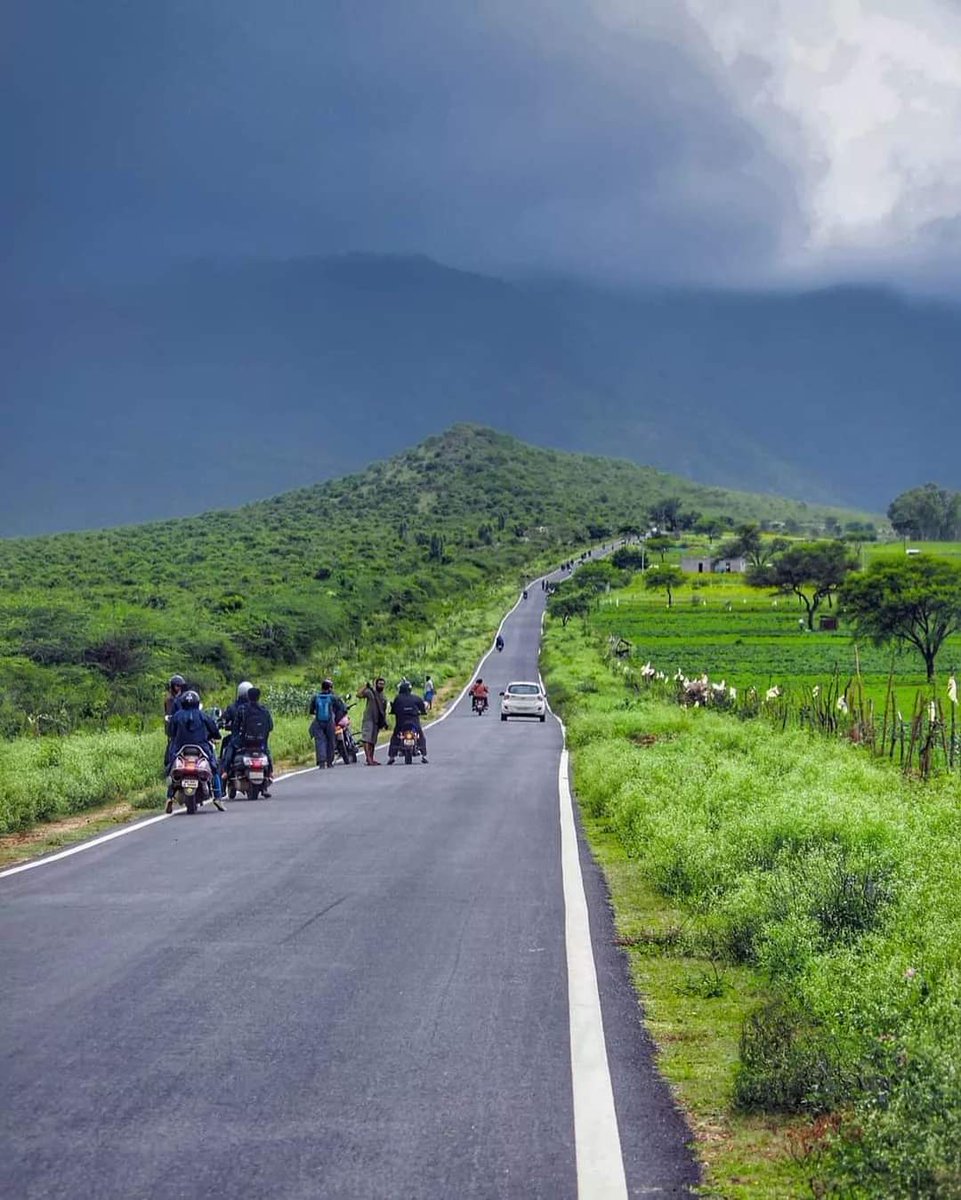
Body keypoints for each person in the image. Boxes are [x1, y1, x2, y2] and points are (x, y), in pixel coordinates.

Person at [165, 690, 223, 811]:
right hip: (202, 748)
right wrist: (214, 736)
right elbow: (215, 732)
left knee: (170, 768)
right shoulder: (203, 715)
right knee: (215, 768)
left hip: (180, 749)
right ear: (197, 702)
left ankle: (169, 797)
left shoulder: (177, 716)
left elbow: (170, 732)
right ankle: (217, 797)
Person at [235, 686, 274, 796]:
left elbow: (236, 726)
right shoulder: (264, 710)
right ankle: (269, 775)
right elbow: (270, 726)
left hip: (245, 743)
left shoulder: (242, 709)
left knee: (230, 750)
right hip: (261, 743)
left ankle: (224, 776)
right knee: (267, 755)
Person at [219, 680, 252, 782]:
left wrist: (221, 723)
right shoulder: (256, 707)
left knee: (228, 747)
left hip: (238, 738)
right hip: (255, 739)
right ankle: (269, 773)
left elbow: (224, 718)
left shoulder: (234, 708)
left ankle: (225, 771)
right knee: (266, 750)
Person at [388, 680, 428, 764]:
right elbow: (423, 709)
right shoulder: (416, 698)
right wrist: (422, 712)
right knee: (420, 735)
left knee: (395, 736)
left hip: (401, 723)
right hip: (414, 722)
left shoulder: (398, 698)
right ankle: (423, 755)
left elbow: (393, 710)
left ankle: (392, 756)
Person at [309, 679, 340, 768]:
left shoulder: (315, 697)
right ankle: (330, 762)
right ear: (330, 688)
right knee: (331, 741)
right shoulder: (332, 697)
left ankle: (322, 762)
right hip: (330, 722)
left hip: (318, 722)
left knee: (320, 741)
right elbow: (340, 708)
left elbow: (311, 710)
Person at [357, 677, 388, 765]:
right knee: (367, 739)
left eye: (382, 684)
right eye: (379, 684)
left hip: (377, 721)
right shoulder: (370, 693)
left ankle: (371, 758)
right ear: (376, 684)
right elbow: (359, 695)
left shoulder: (383, 697)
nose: (381, 685)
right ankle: (368, 758)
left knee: (373, 740)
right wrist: (365, 687)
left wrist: (384, 722)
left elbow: (384, 711)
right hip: (368, 719)